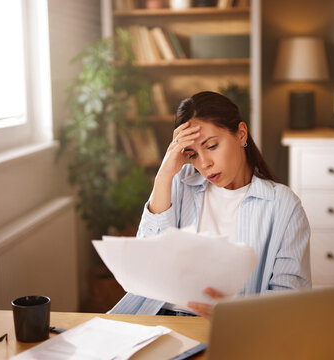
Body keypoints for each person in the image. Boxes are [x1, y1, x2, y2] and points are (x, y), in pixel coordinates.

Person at [109, 91, 310, 319]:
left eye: (212, 146)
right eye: (192, 154)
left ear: (241, 134)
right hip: (159, 319)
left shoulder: (282, 206)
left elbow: (291, 301)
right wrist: (163, 176)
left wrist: (233, 313)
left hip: (233, 327)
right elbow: (146, 265)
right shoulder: (180, 183)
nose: (204, 164)